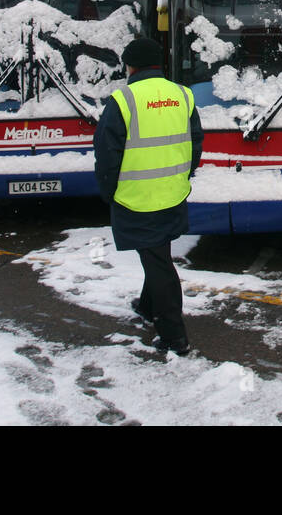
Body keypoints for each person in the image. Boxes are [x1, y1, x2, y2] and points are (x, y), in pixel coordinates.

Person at [93, 36, 202, 356]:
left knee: (158, 264)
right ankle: (146, 304)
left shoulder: (122, 100)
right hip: (173, 192)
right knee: (156, 253)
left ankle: (174, 336)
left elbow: (106, 154)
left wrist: (109, 192)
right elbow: (196, 143)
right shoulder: (183, 95)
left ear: (130, 66)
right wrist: (182, 175)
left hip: (136, 198)